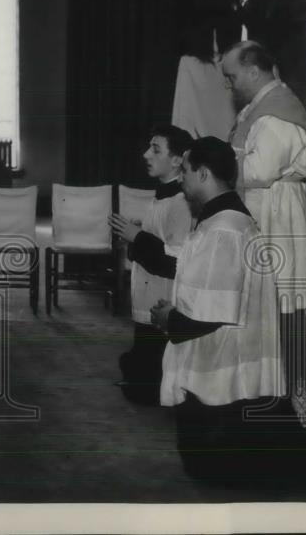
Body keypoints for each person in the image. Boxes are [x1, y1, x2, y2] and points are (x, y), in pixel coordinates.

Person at [221, 40, 306, 426]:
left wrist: (218, 163)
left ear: (253, 71)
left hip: (278, 218)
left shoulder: (277, 112)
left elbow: (259, 171)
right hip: (265, 213)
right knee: (264, 304)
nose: (229, 84)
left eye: (232, 75)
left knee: (283, 302)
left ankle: (289, 403)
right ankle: (265, 390)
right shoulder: (260, 108)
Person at [149, 137, 284, 482]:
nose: (181, 179)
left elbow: (209, 315)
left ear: (204, 174)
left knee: (209, 468)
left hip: (222, 375)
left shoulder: (225, 229)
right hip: (225, 361)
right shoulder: (224, 221)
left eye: (187, 172)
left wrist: (169, 318)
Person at [109, 124, 193, 405]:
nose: (146, 154)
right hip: (150, 295)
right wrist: (135, 238)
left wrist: (137, 238)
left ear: (177, 160)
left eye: (155, 149)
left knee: (146, 378)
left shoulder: (181, 202)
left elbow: (176, 262)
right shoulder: (164, 196)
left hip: (163, 300)